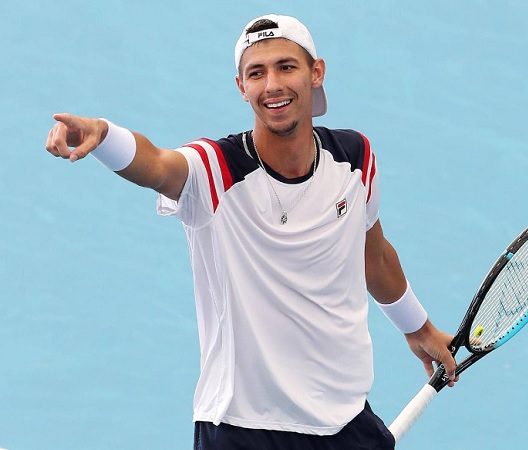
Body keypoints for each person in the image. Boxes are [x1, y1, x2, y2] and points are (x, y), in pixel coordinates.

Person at [45, 13, 456, 450]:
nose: (272, 85)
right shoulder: (214, 171)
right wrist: (105, 136)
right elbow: (158, 165)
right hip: (242, 430)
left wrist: (418, 328)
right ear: (242, 87)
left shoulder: (354, 158)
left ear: (316, 72)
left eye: (286, 67)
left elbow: (372, 254)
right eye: (256, 73)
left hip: (345, 423)